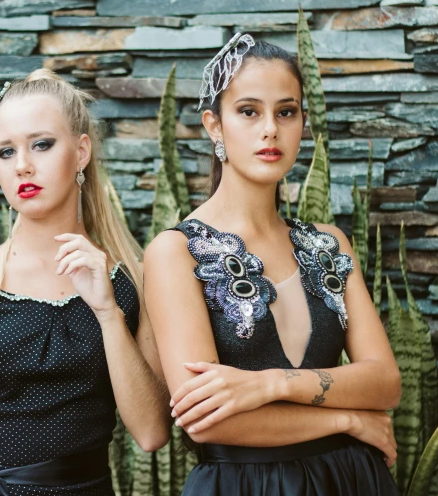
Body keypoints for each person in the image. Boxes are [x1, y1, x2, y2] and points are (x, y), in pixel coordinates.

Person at [145, 34, 401, 495]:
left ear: (303, 121)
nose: (270, 129)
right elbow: (206, 421)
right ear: (214, 125)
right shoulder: (176, 251)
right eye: (248, 111)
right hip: (242, 485)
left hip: (351, 481)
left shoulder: (327, 243)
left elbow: (384, 382)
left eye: (286, 112)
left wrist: (267, 385)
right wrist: (348, 418)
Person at [0, 70, 170, 496]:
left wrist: (107, 314)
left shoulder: (131, 282)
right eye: (6, 151)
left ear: (81, 152)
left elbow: (152, 434)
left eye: (41, 144)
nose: (23, 164)